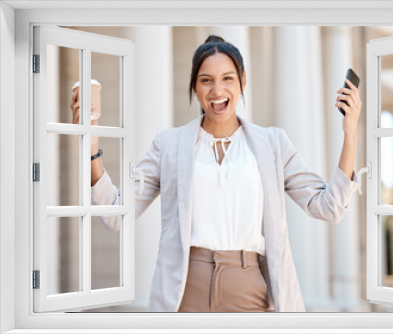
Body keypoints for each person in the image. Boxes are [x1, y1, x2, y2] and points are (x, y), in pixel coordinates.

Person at [70, 35, 362, 312]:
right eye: (206, 80)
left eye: (228, 79)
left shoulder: (273, 144)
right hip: (185, 291)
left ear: (243, 81)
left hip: (250, 291)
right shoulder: (168, 145)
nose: (217, 91)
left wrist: (350, 133)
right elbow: (114, 215)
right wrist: (91, 145)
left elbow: (329, 207)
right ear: (195, 87)